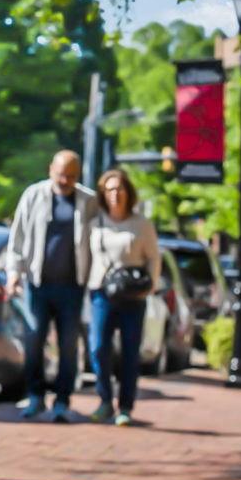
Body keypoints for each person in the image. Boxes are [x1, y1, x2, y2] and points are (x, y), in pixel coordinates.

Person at [4, 149, 95, 422]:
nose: (65, 180)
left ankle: (62, 401)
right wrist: (13, 273)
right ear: (50, 170)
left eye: (71, 176)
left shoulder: (88, 201)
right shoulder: (34, 195)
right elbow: (17, 237)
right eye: (60, 174)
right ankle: (35, 396)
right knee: (33, 342)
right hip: (38, 284)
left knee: (68, 346)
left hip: (72, 286)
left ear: (78, 176)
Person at [85, 168, 160, 426]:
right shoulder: (95, 223)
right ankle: (105, 400)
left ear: (129, 193)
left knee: (129, 351)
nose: (115, 195)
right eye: (110, 190)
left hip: (132, 295)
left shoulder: (142, 224)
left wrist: (149, 286)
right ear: (103, 195)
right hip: (102, 293)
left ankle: (125, 406)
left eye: (120, 189)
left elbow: (153, 258)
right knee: (98, 348)